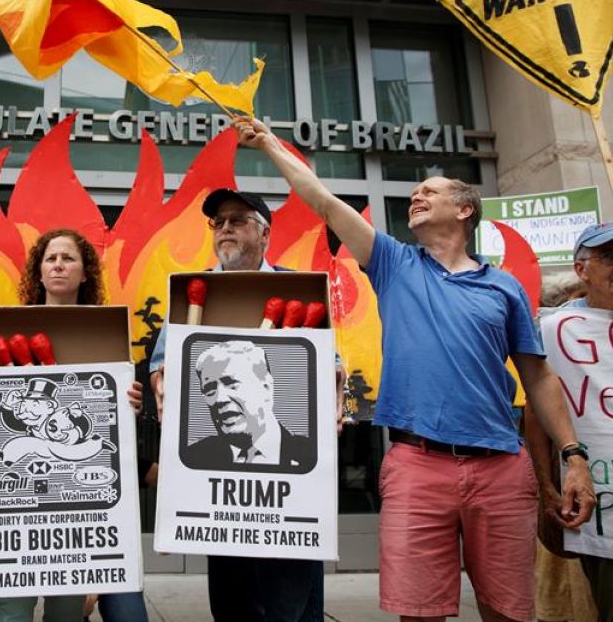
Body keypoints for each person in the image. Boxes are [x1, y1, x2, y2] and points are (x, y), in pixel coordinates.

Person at [233, 116, 595, 622]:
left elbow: (538, 378)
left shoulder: (505, 287)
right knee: (418, 614)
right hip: (416, 466)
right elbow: (321, 200)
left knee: (509, 612)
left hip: (500, 468)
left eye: (431, 190)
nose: (416, 196)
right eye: (414, 193)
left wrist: (573, 456)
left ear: (465, 209)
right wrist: (270, 142)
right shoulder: (394, 263)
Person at [149, 188, 326, 622]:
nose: (224, 227)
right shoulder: (193, 292)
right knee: (231, 606)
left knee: (290, 608)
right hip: (219, 489)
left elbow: (328, 363)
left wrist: (334, 376)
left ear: (264, 234)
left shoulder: (298, 290)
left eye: (237, 220)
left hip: (286, 490)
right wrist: (159, 380)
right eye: (218, 222)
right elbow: (162, 367)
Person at [0, 228, 145, 622]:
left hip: (78, 513)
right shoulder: (5, 330)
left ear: (86, 272)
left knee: (66, 612)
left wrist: (131, 405)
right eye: (50, 258)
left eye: (68, 258)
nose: (59, 264)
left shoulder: (106, 336)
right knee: (10, 611)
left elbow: (110, 422)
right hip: (14, 509)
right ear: (38, 272)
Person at [528, 224, 612, 621]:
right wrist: (547, 485)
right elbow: (537, 413)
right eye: (608, 257)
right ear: (582, 269)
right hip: (600, 501)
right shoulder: (555, 331)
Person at [186, 340, 311, 469]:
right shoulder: (192, 459)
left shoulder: (312, 456)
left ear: (266, 388)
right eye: (209, 390)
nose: (219, 399)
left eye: (231, 383)